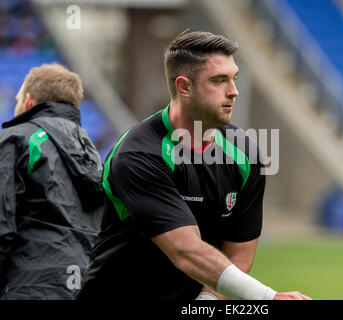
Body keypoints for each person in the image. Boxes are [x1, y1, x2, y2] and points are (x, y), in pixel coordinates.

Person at [77, 31, 311, 300]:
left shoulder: (244, 153)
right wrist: (269, 298)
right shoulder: (139, 154)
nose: (233, 91)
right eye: (219, 81)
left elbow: (238, 251)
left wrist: (206, 302)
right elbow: (186, 251)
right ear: (184, 87)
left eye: (234, 79)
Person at [0, 63, 103, 299]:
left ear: (28, 101)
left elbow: (1, 224)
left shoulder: (15, 139)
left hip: (27, 288)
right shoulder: (91, 151)